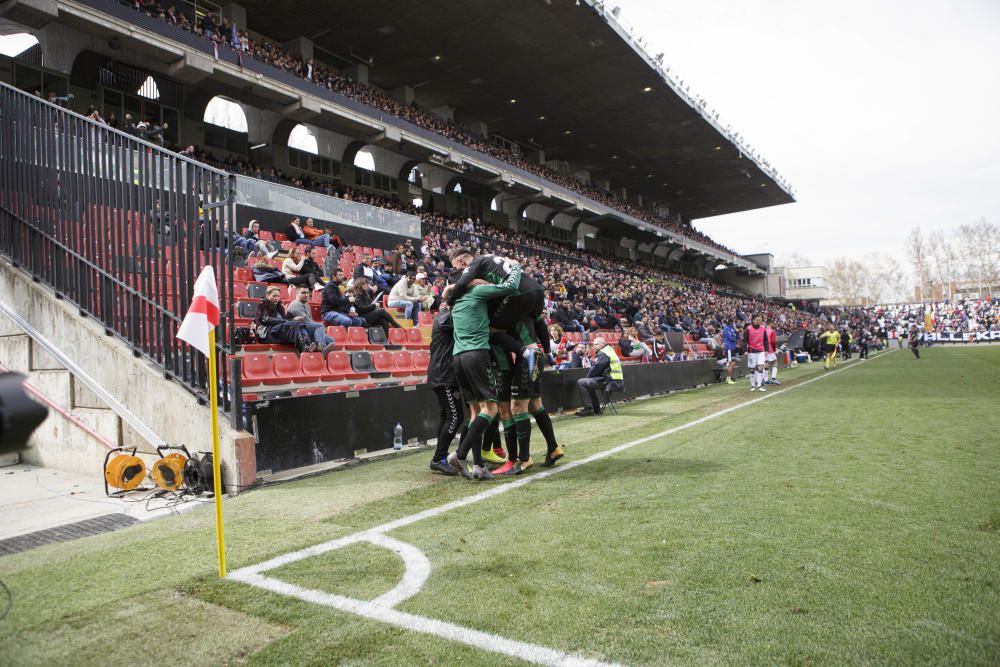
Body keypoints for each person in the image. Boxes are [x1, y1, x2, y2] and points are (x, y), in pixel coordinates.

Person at [445, 279, 520, 481]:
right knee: (491, 409)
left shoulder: (455, 302)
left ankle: (478, 465)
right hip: (476, 356)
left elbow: (446, 292)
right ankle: (460, 456)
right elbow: (510, 287)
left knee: (475, 413)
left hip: (458, 358)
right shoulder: (477, 292)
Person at [426, 304, 460, 476]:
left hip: (439, 372)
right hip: (444, 374)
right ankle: (439, 458)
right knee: (455, 415)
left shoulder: (441, 316)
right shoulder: (446, 318)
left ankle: (441, 455)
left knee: (446, 415)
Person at [253, 286, 320, 351]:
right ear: (267, 295)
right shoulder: (262, 305)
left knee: (298, 324)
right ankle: (305, 346)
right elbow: (265, 319)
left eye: (278, 296)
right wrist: (286, 321)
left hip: (279, 331)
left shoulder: (280, 307)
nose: (276, 298)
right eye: (274, 296)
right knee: (295, 324)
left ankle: (308, 345)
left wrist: (292, 319)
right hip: (268, 334)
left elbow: (285, 320)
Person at [575, 336, 624, 417]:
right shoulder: (609, 350)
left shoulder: (603, 353)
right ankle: (595, 408)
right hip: (615, 381)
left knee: (581, 382)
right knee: (588, 383)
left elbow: (596, 368)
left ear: (603, 344)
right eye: (594, 345)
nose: (595, 346)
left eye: (597, 344)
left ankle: (588, 409)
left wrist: (588, 377)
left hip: (610, 382)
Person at [285, 286, 335, 350]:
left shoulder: (306, 304)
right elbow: (305, 321)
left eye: (307, 293)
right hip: (300, 331)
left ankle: (321, 351)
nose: (306, 295)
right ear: (297, 293)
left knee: (331, 340)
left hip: (307, 328)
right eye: (303, 293)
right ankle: (321, 345)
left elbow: (310, 320)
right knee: (319, 326)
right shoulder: (295, 304)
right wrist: (320, 328)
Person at [744, 315, 770, 392]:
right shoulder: (748, 329)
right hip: (752, 351)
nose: (759, 321)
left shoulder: (763, 328)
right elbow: (745, 341)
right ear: (753, 320)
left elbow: (765, 340)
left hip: (761, 350)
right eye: (757, 320)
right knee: (752, 368)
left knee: (761, 367)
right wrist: (745, 350)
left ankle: (759, 385)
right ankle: (752, 385)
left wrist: (766, 349)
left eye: (760, 320)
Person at [722, 320, 739, 385]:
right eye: (733, 323)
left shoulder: (731, 329)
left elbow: (736, 337)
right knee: (731, 364)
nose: (734, 324)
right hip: (729, 348)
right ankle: (728, 379)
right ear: (731, 323)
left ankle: (729, 378)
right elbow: (731, 338)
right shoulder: (726, 329)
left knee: (733, 363)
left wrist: (736, 333)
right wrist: (735, 335)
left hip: (733, 347)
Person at [764, 320, 780, 385]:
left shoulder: (763, 330)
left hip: (763, 349)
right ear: (770, 323)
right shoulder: (772, 331)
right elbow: (773, 342)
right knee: (775, 362)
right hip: (770, 348)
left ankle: (765, 379)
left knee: (766, 363)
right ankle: (773, 378)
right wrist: (774, 349)